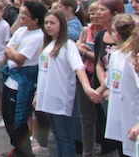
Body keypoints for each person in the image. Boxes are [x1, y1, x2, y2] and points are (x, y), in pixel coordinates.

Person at [35, 10, 100, 157]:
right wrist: (37, 93)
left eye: (52, 23)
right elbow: (42, 74)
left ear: (61, 25)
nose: (48, 26)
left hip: (60, 98)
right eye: (46, 23)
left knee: (64, 137)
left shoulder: (68, 45)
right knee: (57, 137)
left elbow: (78, 67)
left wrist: (87, 88)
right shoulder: (48, 45)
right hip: (47, 98)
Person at [0, 0, 48, 157]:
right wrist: (11, 52)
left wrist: (11, 52)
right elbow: (7, 48)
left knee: (18, 121)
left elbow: (19, 58)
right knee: (8, 118)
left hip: (22, 83)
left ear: (35, 20)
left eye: (25, 14)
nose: (21, 16)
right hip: (10, 80)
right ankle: (18, 149)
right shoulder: (21, 31)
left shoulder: (37, 36)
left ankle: (25, 153)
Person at [101, 14, 139, 156]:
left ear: (116, 33)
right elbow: (111, 81)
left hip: (133, 116)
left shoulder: (132, 58)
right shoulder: (116, 54)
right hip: (119, 116)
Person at [92, 0, 125, 156]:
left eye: (102, 9)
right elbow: (99, 63)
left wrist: (108, 87)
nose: (97, 13)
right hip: (104, 88)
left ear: (115, 13)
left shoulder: (127, 38)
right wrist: (102, 87)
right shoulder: (100, 35)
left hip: (119, 90)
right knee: (105, 129)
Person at [77, 1, 102, 157]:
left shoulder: (107, 33)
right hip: (84, 75)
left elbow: (102, 59)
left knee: (101, 117)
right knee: (86, 118)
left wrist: (84, 51)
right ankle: (88, 152)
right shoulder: (85, 31)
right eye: (91, 13)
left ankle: (103, 148)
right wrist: (79, 47)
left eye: (97, 12)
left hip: (101, 78)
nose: (94, 16)